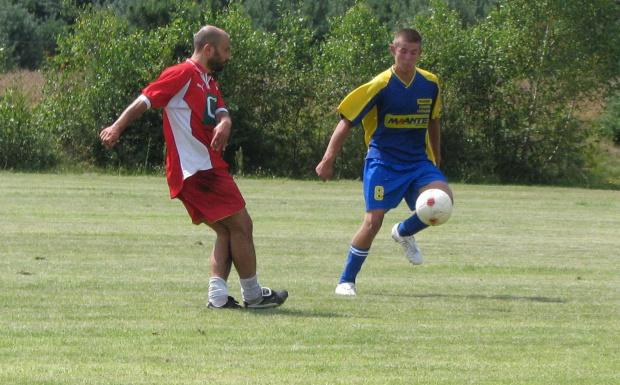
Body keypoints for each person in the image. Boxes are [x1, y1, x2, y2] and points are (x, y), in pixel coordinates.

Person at [100, 25, 288, 309]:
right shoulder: (183, 73)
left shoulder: (208, 80)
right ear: (208, 49)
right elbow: (144, 100)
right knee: (242, 225)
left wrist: (225, 122)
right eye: (225, 50)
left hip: (202, 168)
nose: (228, 57)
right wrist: (116, 128)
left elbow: (220, 110)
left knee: (226, 230)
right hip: (198, 169)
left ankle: (218, 298)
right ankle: (253, 295)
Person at [316, 28, 454, 296]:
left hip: (418, 162)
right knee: (373, 221)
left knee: (443, 202)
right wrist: (327, 160)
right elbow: (347, 121)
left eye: (414, 52)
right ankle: (346, 281)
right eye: (403, 51)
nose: (408, 57)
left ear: (420, 54)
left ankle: (403, 231)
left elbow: (433, 121)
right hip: (383, 162)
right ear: (394, 51)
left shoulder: (430, 83)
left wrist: (436, 158)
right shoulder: (380, 84)